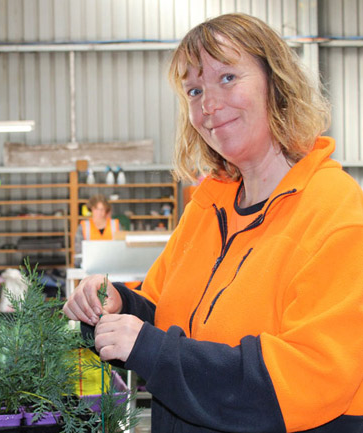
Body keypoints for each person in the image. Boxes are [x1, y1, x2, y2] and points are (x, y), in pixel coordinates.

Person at [63, 13, 363, 433]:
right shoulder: (209, 205)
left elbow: (310, 376)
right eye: (194, 89)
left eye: (227, 78)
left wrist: (151, 348)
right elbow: (164, 314)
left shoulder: (338, 213)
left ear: (275, 82)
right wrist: (119, 305)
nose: (208, 105)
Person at [73, 194, 120, 268]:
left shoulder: (115, 224)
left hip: (112, 264)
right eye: (96, 209)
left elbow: (121, 247)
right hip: (90, 265)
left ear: (106, 210)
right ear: (91, 209)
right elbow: (79, 250)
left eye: (102, 209)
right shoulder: (83, 226)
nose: (99, 212)